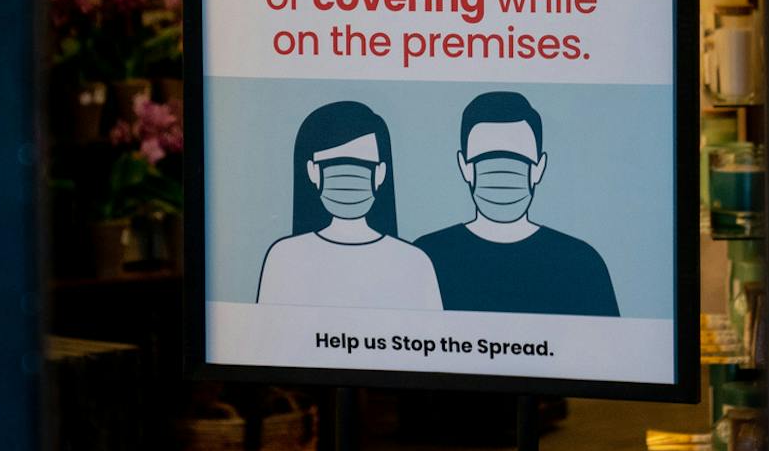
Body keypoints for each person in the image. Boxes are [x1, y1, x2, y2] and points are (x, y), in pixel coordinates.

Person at [414, 91, 619, 316]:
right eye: (486, 159)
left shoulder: (581, 263)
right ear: (464, 166)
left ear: (539, 167)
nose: (502, 171)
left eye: (517, 159)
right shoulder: (427, 256)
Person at [256, 100, 442, 310]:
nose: (348, 177)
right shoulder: (285, 257)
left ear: (380, 172)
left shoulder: (414, 262)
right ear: (312, 171)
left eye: (361, 165)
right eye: (334, 164)